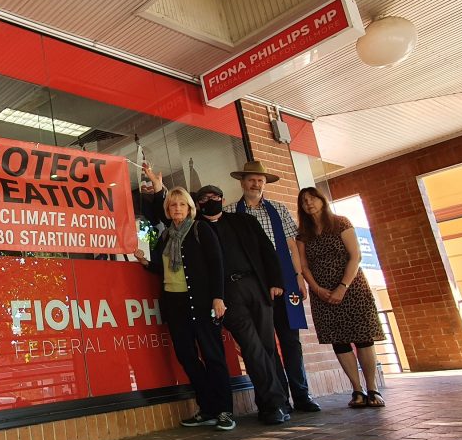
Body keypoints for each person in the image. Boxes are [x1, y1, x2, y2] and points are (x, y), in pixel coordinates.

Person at [142, 167, 291, 425]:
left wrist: (277, 281)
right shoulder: (184, 232)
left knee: (267, 347)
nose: (210, 202)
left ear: (222, 199)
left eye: (215, 197)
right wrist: (157, 188)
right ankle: (270, 405)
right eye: (204, 199)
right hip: (225, 294)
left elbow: (268, 251)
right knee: (253, 347)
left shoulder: (240, 221)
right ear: (197, 204)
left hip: (254, 288)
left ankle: (281, 402)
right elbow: (164, 214)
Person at [135, 186, 234, 431]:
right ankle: (207, 407)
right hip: (175, 303)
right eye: (172, 205)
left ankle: (224, 411)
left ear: (190, 208)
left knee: (212, 355)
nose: (176, 209)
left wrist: (218, 298)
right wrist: (145, 262)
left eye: (181, 205)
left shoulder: (201, 229)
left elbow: (216, 264)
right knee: (187, 357)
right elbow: (163, 269)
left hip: (201, 303)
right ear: (167, 211)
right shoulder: (166, 236)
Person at [225, 161, 322, 413]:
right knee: (266, 344)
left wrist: (299, 276)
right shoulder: (230, 213)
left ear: (264, 183)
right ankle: (279, 398)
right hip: (255, 286)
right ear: (242, 182)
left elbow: (292, 246)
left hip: (286, 282)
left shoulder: (278, 209)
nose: (255, 184)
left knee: (291, 341)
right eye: (251, 179)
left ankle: (302, 395)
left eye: (260, 180)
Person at [296, 187, 386, 408]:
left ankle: (372, 389)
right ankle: (356, 389)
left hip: (353, 290)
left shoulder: (340, 223)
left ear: (322, 200)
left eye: (313, 198)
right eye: (304, 201)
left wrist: (342, 287)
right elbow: (304, 266)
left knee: (363, 337)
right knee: (339, 341)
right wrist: (316, 289)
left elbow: (355, 256)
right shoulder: (303, 235)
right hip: (323, 294)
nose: (309, 203)